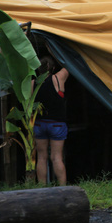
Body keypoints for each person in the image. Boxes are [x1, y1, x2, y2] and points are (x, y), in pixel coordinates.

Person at [34, 55, 70, 185]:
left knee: (41, 157)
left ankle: (41, 187)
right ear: (53, 68)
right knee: (56, 157)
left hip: (39, 124)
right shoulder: (57, 78)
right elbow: (69, 64)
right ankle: (62, 187)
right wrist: (53, 51)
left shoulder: (32, 83)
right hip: (56, 124)